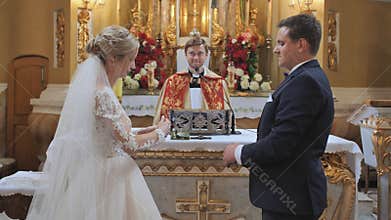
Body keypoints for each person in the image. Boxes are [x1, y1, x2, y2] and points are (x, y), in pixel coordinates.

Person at [26, 25, 170, 220]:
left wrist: (145, 130)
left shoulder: (97, 89)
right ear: (113, 59)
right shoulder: (103, 94)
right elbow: (129, 145)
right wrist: (161, 131)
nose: (133, 66)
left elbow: (108, 134)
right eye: (130, 59)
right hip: (108, 178)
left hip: (94, 171)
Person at [223, 14, 334, 220]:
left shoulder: (305, 82)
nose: (275, 49)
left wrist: (238, 153)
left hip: (291, 197)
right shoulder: (304, 77)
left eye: (282, 43)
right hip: (290, 195)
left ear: (301, 44)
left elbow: (282, 143)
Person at [153, 31, 232, 125]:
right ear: (185, 54)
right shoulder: (173, 82)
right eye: (192, 53)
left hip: (210, 135)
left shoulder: (217, 82)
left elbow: (226, 115)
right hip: (181, 135)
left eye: (200, 53)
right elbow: (164, 113)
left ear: (206, 55)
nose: (196, 57)